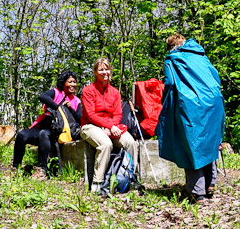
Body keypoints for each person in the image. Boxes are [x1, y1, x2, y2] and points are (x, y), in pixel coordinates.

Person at [157, 34, 225, 202]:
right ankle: (210, 183)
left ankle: (197, 191)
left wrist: (165, 103)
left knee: (191, 145)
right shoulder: (200, 55)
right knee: (209, 142)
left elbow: (170, 83)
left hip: (190, 104)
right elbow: (215, 77)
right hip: (214, 101)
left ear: (170, 47)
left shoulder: (172, 59)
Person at [80, 57, 141, 194]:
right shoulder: (88, 90)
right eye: (101, 69)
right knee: (106, 144)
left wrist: (110, 127)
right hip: (90, 126)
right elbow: (90, 115)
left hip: (112, 126)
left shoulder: (115, 92)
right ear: (95, 72)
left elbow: (118, 114)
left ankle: (131, 178)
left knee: (130, 142)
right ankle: (97, 182)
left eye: (106, 69)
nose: (104, 72)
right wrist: (107, 126)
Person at [12, 70, 82, 180]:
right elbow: (42, 96)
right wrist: (57, 107)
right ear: (63, 83)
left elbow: (79, 119)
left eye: (74, 82)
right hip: (46, 126)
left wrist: (70, 109)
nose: (73, 84)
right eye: (70, 82)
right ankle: (15, 168)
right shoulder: (56, 93)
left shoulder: (76, 101)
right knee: (22, 135)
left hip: (61, 131)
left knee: (44, 133)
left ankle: (42, 170)